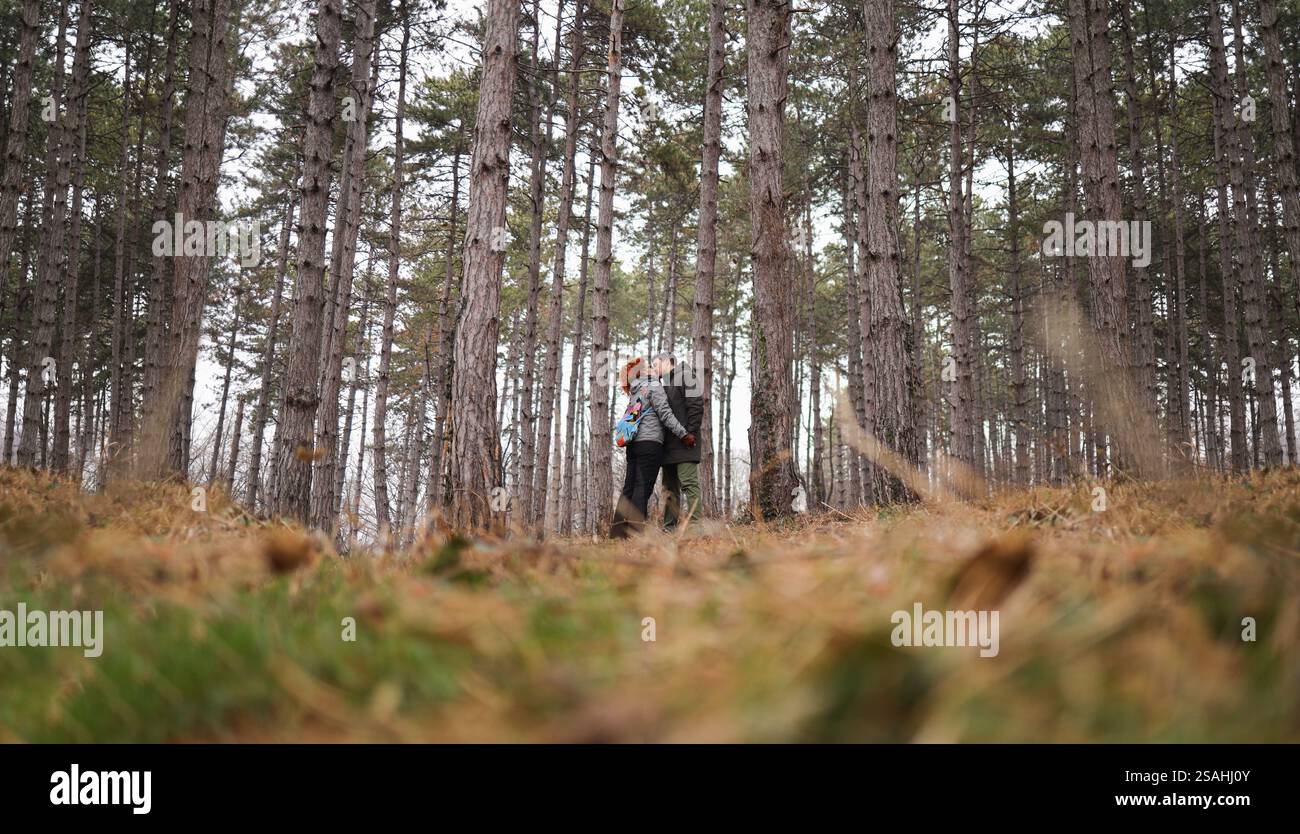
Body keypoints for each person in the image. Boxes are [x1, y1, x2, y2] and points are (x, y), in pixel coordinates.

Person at [610, 357, 695, 538]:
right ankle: (634, 534)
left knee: (629, 488)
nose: (652, 368)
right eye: (649, 366)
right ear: (642, 372)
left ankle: (617, 535)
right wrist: (684, 434)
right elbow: (665, 414)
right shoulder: (653, 386)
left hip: (633, 445)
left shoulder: (635, 390)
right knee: (643, 488)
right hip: (650, 444)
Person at [652, 353, 704, 530]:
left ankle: (696, 527)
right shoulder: (666, 384)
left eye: (655, 364)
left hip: (686, 443)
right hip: (668, 447)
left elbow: (696, 404)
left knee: (689, 484)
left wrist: (690, 433)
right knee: (669, 489)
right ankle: (669, 528)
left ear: (667, 362)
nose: (654, 369)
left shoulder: (686, 375)